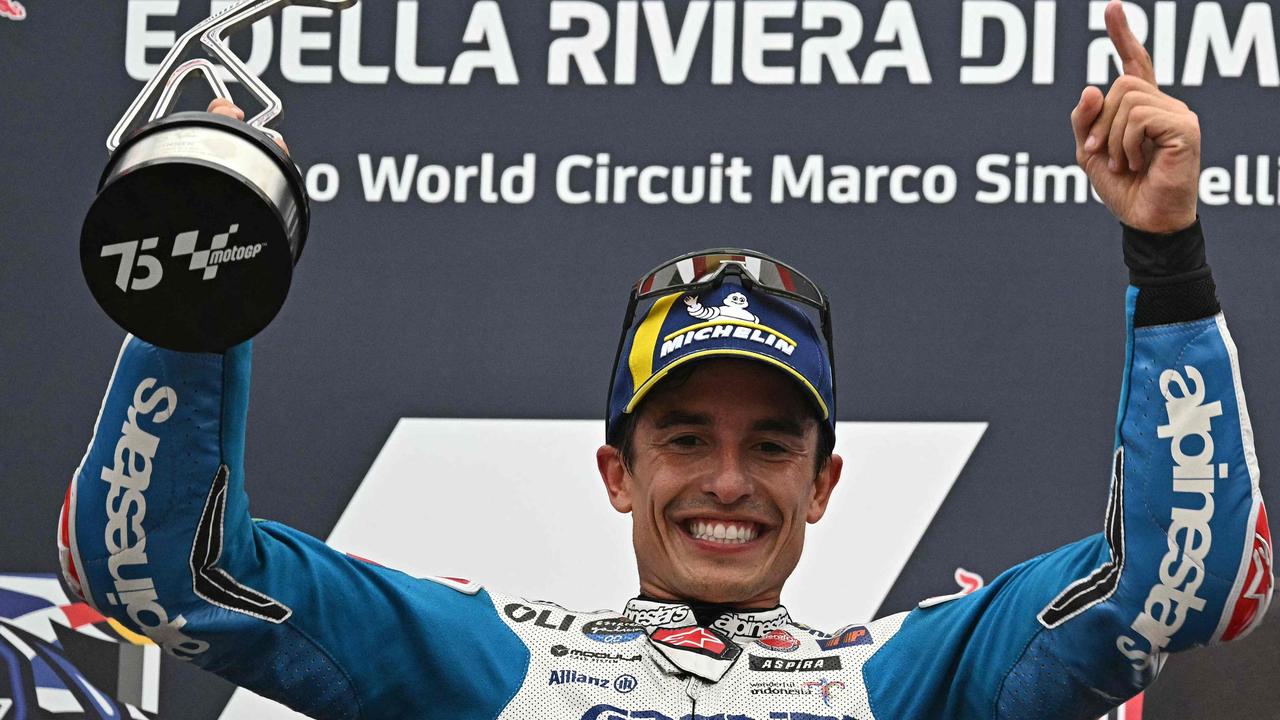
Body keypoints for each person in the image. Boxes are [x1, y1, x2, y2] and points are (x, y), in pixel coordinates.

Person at [59, 3, 1270, 719]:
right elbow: (158, 570)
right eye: (683, 437)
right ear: (616, 470)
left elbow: (1189, 578)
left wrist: (1163, 253)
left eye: (772, 443)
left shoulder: (905, 677)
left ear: (825, 484)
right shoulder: (491, 663)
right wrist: (196, 281)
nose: (728, 481)